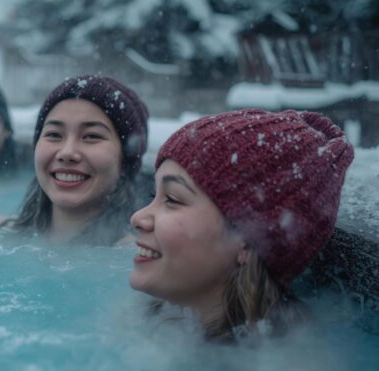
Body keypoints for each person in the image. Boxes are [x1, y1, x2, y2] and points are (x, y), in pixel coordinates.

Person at [129, 109, 354, 342]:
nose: (137, 217)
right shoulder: (137, 325)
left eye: (172, 199)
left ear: (248, 241)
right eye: (153, 196)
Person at [1, 75, 149, 245]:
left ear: (125, 161)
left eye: (91, 136)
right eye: (54, 134)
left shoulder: (134, 259)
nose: (67, 152)